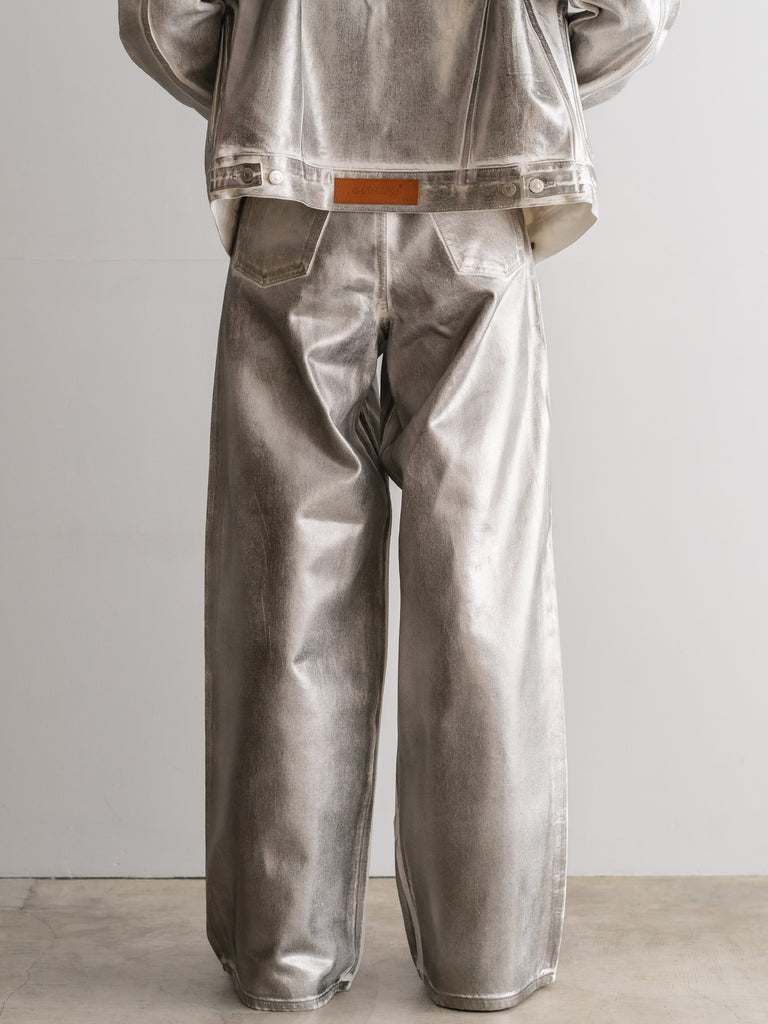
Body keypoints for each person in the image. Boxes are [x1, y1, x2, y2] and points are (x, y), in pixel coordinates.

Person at [119, 1, 679, 1013]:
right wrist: (525, 73)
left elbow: (163, 16)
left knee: (284, 598)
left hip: (296, 196)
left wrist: (270, 80)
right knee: (480, 599)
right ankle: (483, 959)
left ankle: (284, 959)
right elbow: (633, 11)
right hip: (479, 194)